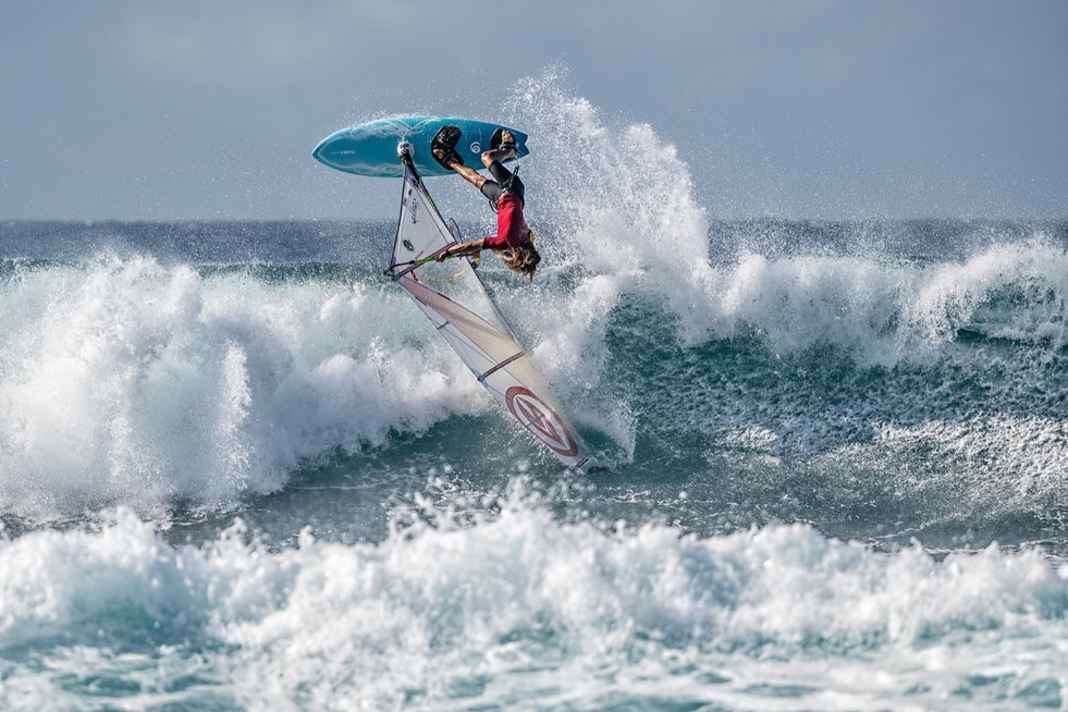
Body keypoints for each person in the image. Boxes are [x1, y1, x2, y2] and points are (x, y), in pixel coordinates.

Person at [430, 127, 541, 280]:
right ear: (519, 254)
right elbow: (471, 245)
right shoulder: (505, 242)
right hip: (512, 189)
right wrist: (447, 253)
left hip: (502, 198)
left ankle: (450, 160)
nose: (510, 259)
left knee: (474, 179)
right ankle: (509, 149)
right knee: (486, 157)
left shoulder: (527, 238)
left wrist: (477, 252)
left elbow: (480, 246)